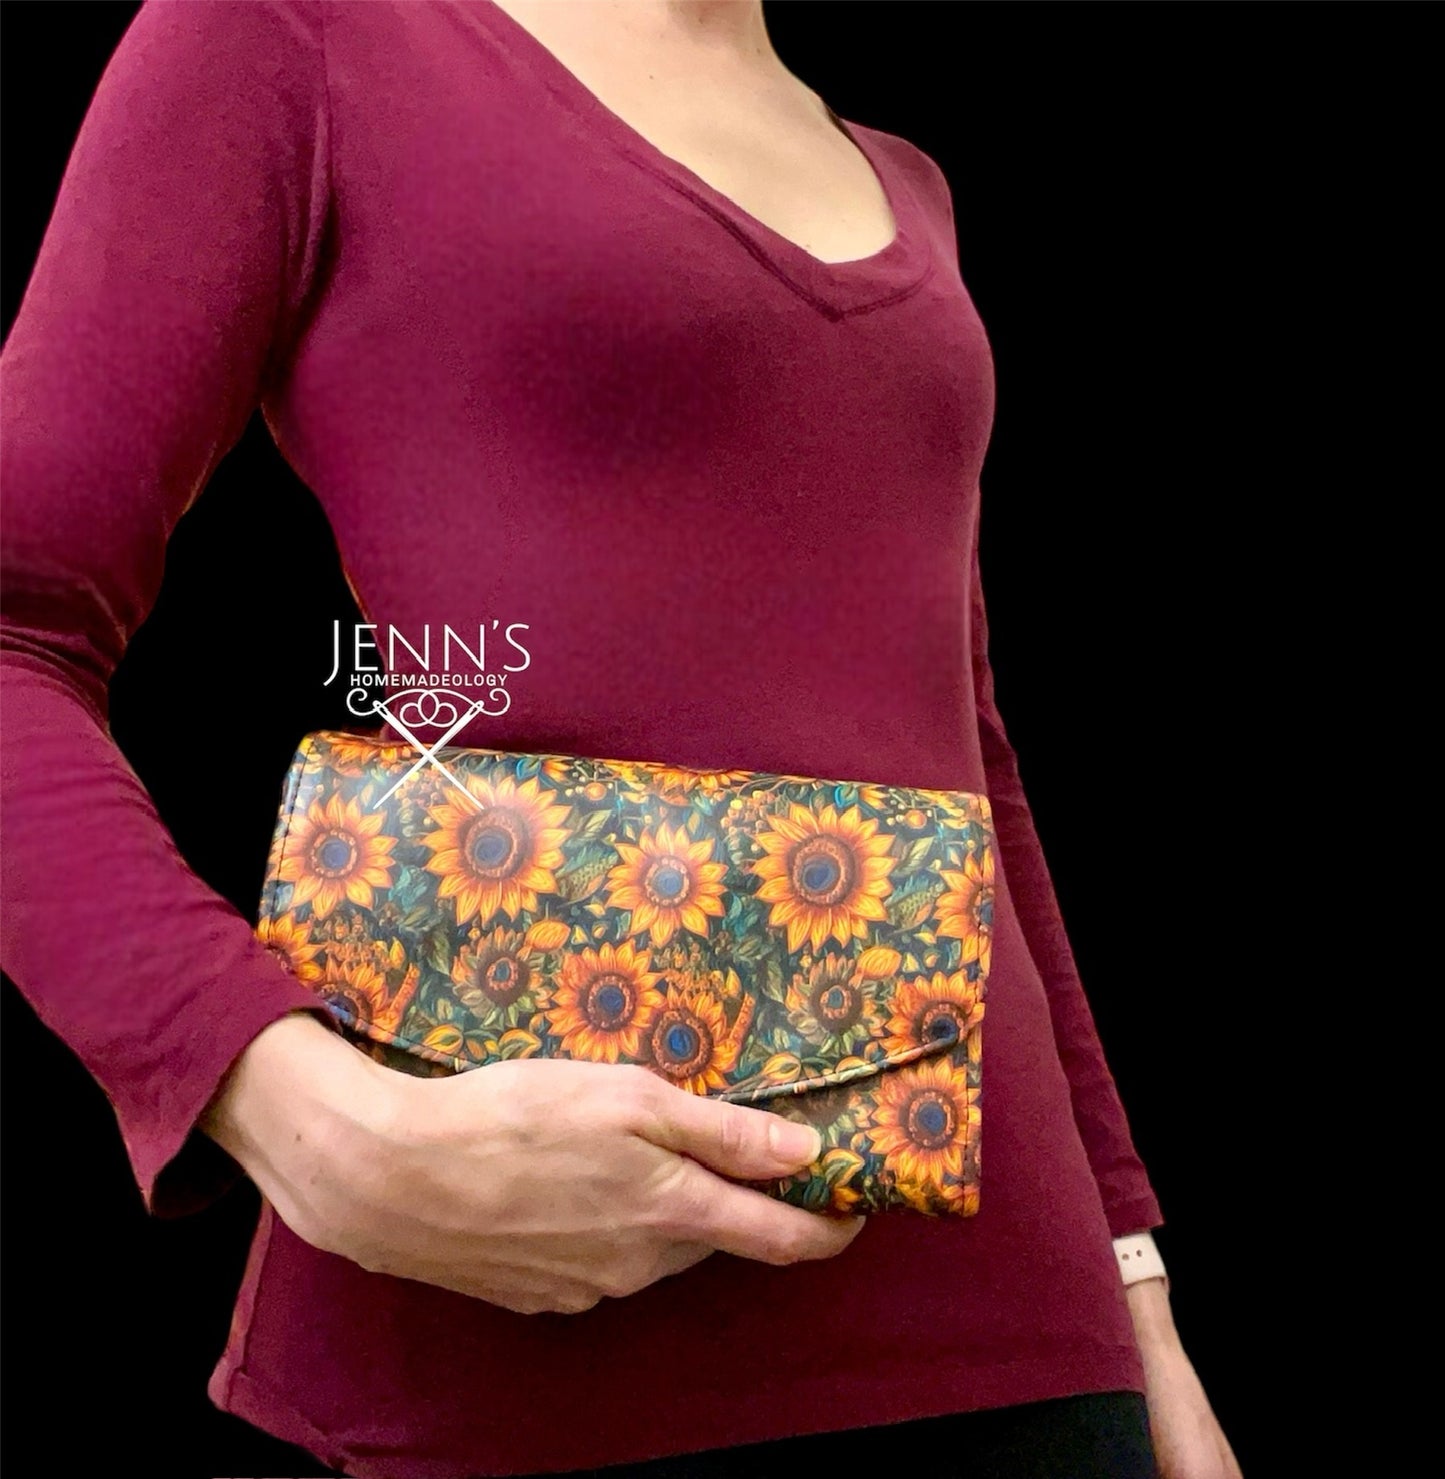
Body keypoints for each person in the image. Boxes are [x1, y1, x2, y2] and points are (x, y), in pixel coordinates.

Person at [0, 2, 1242, 1477]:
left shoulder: (905, 182)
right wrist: (291, 1107)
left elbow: (972, 765)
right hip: (510, 1330)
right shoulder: (295, 39)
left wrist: (1135, 1294)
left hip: (1023, 1344)